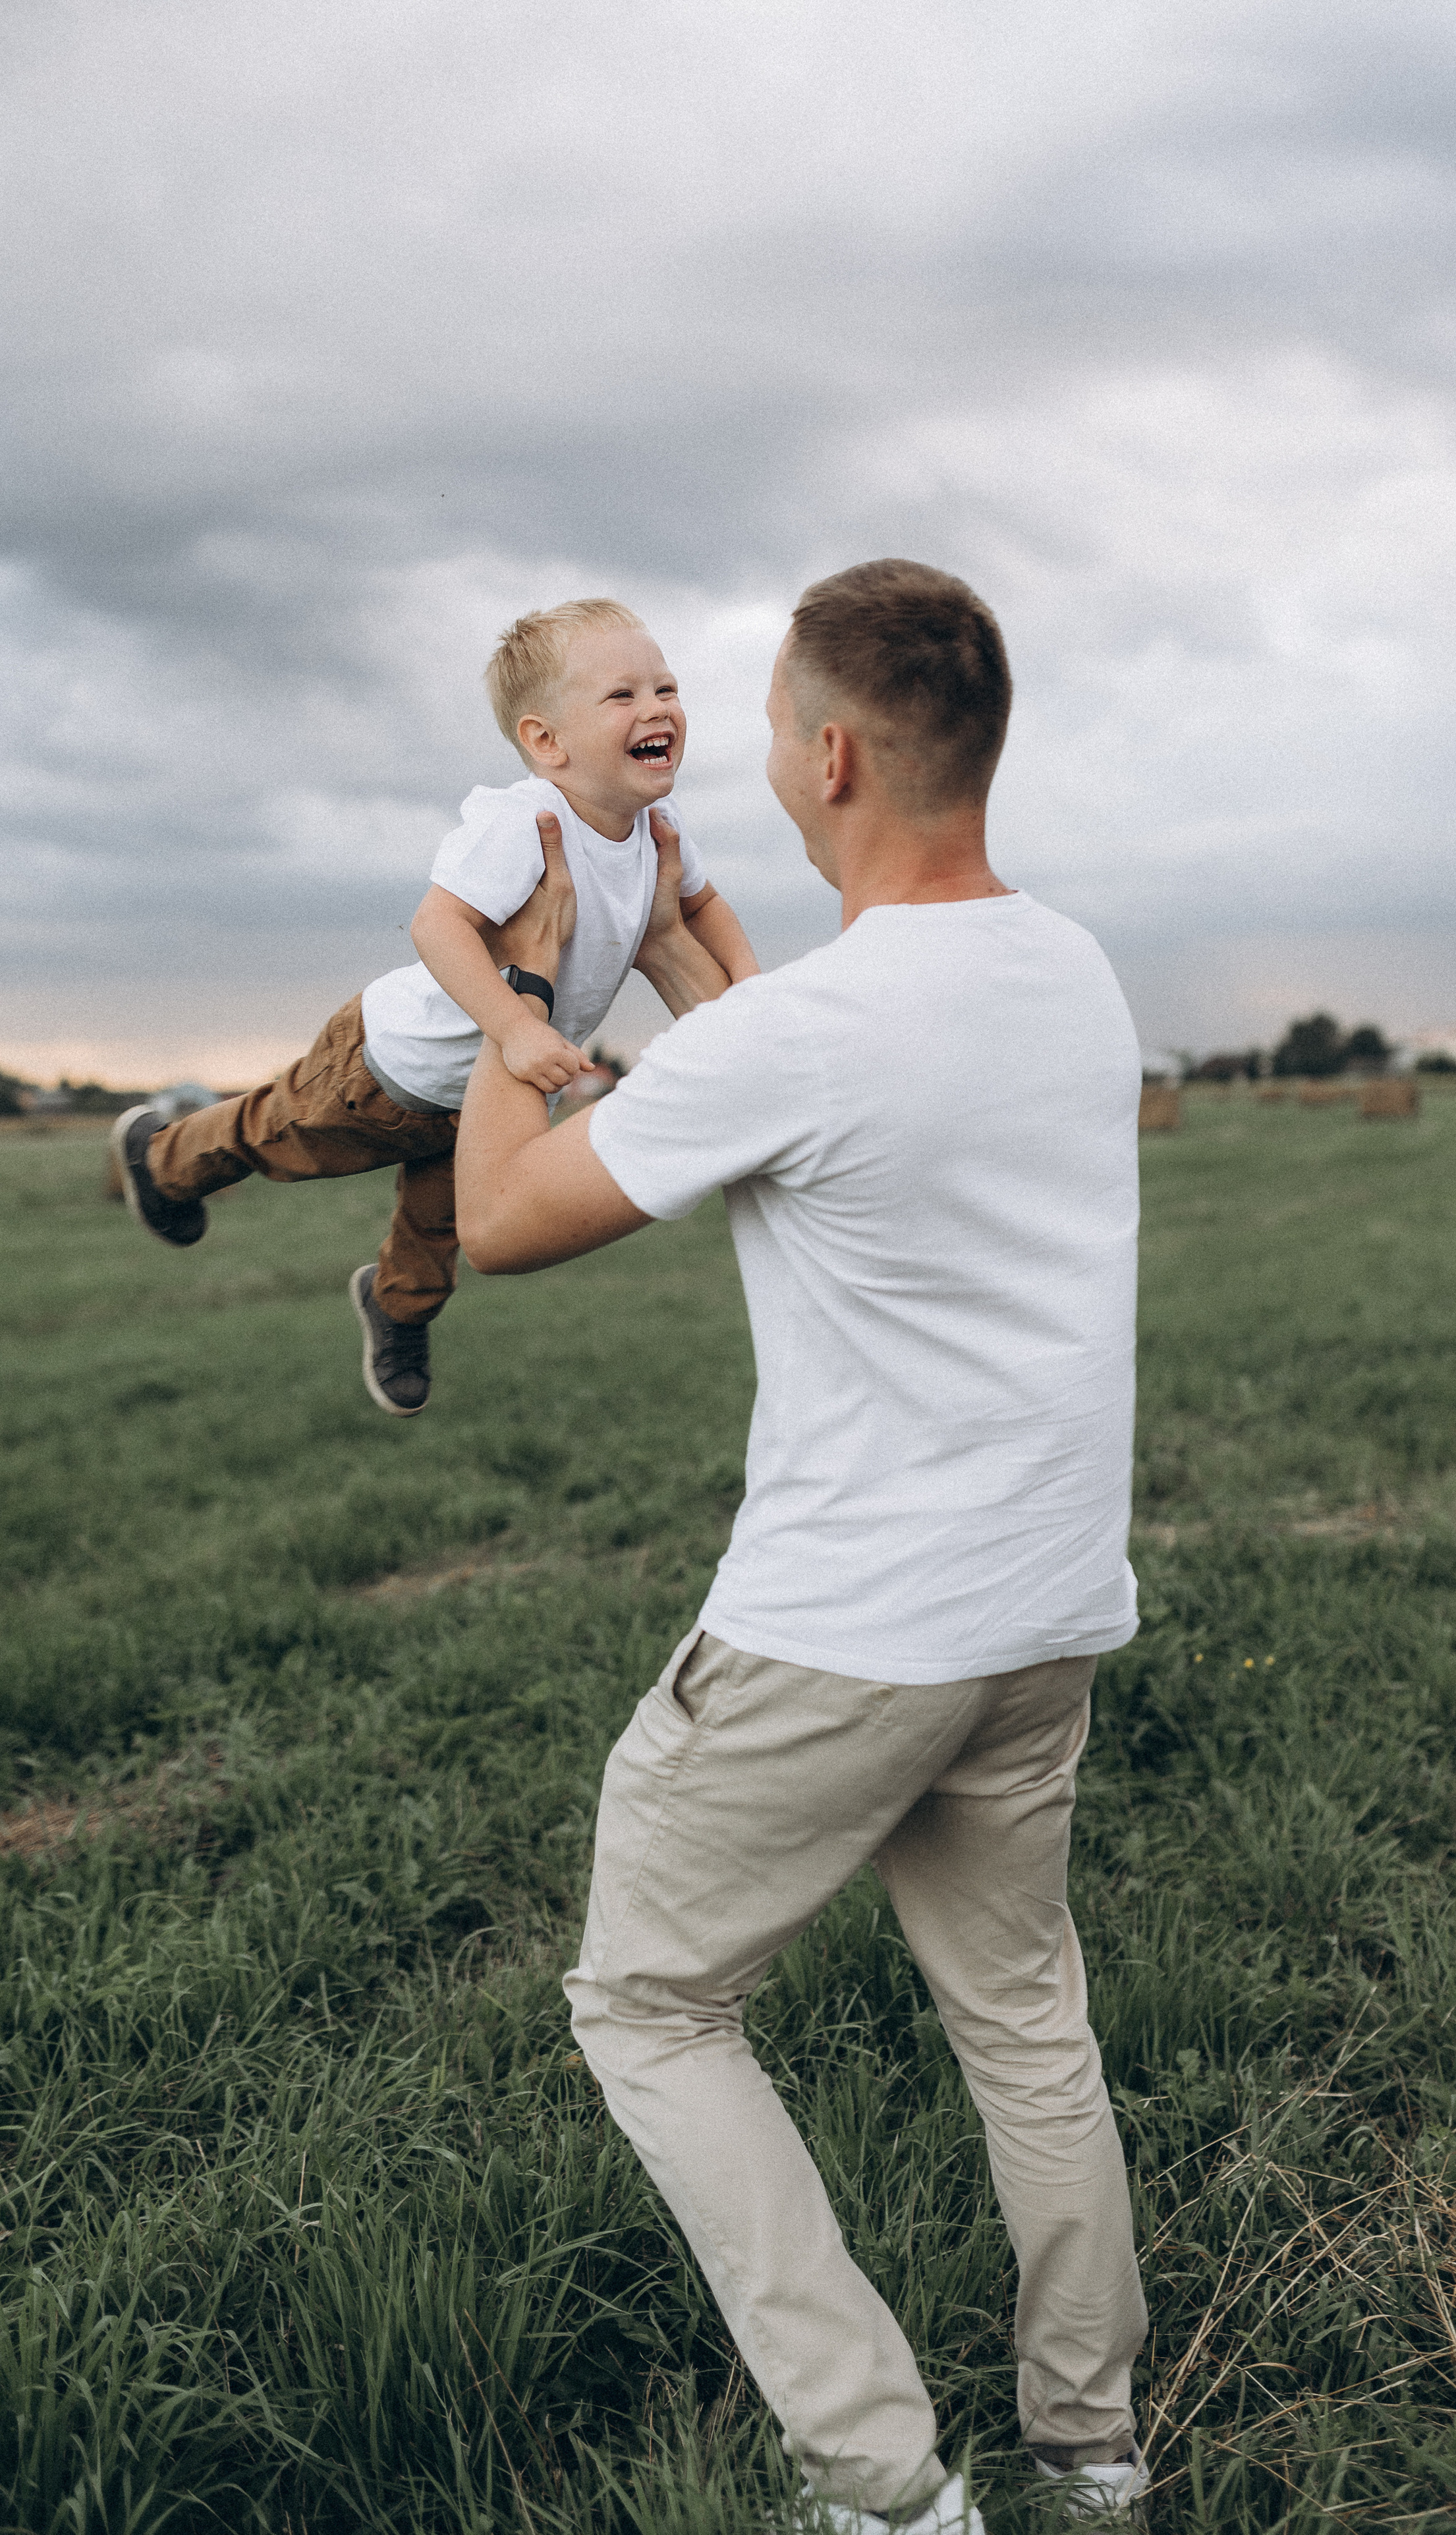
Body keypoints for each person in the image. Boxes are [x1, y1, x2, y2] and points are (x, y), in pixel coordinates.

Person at [455, 561, 1149, 2532]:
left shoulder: (815, 1031)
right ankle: (1089, 2452)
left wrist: (495, 1028)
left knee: (648, 2001)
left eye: (765, 719)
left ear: (828, 754)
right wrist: (690, 956)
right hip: (1037, 1618)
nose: (752, 750)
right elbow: (835, 1071)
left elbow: (506, 1221)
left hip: (845, 1640)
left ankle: (880, 2482)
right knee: (1023, 2009)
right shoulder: (1069, 971)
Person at [107, 601, 758, 1415]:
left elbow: (703, 907)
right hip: (392, 1065)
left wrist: (750, 1001)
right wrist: (518, 1028)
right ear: (545, 741)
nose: (658, 707)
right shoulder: (526, 819)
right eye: (622, 695)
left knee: (438, 1230)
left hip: (491, 1098)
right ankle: (160, 1158)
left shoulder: (660, 826)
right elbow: (437, 923)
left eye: (665, 686)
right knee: (277, 1135)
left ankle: (395, 1307)